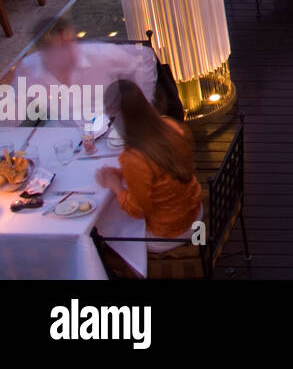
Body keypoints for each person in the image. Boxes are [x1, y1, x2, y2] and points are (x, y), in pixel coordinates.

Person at [94, 80, 203, 253]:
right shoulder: (169, 124)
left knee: (104, 234)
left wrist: (115, 186)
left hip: (170, 232)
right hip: (195, 212)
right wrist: (122, 174)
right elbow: (162, 169)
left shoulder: (135, 158)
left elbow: (137, 210)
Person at [9, 19, 157, 123]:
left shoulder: (100, 55)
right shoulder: (29, 69)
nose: (71, 51)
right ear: (44, 53)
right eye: (61, 48)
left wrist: (142, 106)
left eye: (71, 43)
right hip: (63, 136)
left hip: (110, 132)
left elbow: (143, 55)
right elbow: (12, 116)